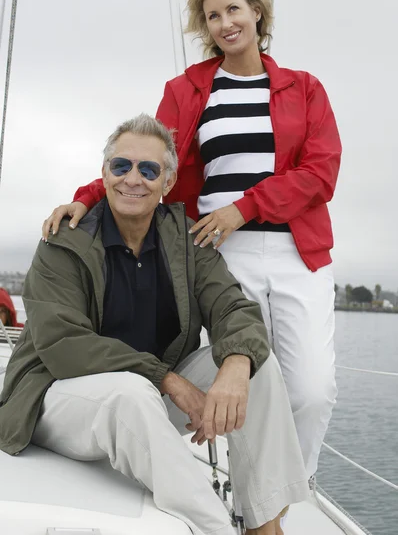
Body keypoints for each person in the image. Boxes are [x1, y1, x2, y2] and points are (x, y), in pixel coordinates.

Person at [42, 0, 342, 480]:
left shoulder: (305, 88)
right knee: (252, 375)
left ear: (256, 13)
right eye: (212, 17)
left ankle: (298, 483)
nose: (225, 23)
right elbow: (151, 161)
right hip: (219, 249)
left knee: (313, 390)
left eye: (233, 10)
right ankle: (259, 504)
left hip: (299, 250)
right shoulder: (188, 90)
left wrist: (244, 207)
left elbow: (321, 171)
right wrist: (88, 197)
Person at [1, 114, 308, 535]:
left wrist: (236, 365)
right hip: (54, 400)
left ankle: (264, 526)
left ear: (167, 183)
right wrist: (169, 380)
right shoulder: (63, 242)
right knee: (130, 391)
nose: (133, 179)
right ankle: (215, 528)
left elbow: (232, 306)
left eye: (148, 170)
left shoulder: (186, 242)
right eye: (120, 166)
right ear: (104, 174)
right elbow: (64, 345)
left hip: (148, 398)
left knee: (257, 364)